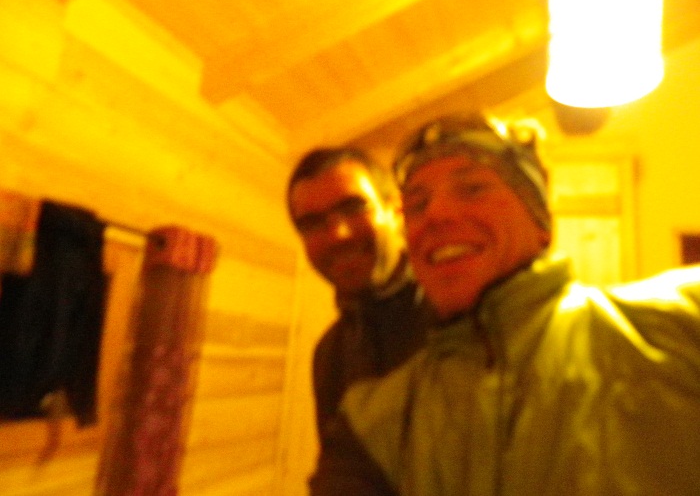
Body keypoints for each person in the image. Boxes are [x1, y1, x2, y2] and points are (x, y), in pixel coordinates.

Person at [337, 114, 700, 495]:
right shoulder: (372, 422)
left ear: (541, 221)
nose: (436, 214)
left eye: (473, 188)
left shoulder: (679, 321)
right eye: (417, 205)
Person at [287, 147, 427, 495]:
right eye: (312, 224)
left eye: (353, 208)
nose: (338, 234)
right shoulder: (328, 354)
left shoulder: (461, 317)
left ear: (396, 211)